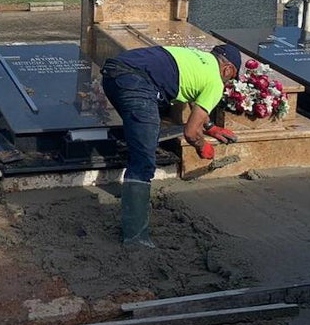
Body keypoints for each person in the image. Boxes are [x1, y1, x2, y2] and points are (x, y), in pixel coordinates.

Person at [100, 43, 240, 247]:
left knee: (143, 135)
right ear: (228, 69)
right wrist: (202, 146)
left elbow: (195, 97)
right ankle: (136, 238)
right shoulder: (216, 83)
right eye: (231, 79)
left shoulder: (196, 58)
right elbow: (191, 132)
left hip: (113, 73)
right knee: (144, 161)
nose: (227, 83)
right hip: (137, 84)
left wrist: (209, 126)